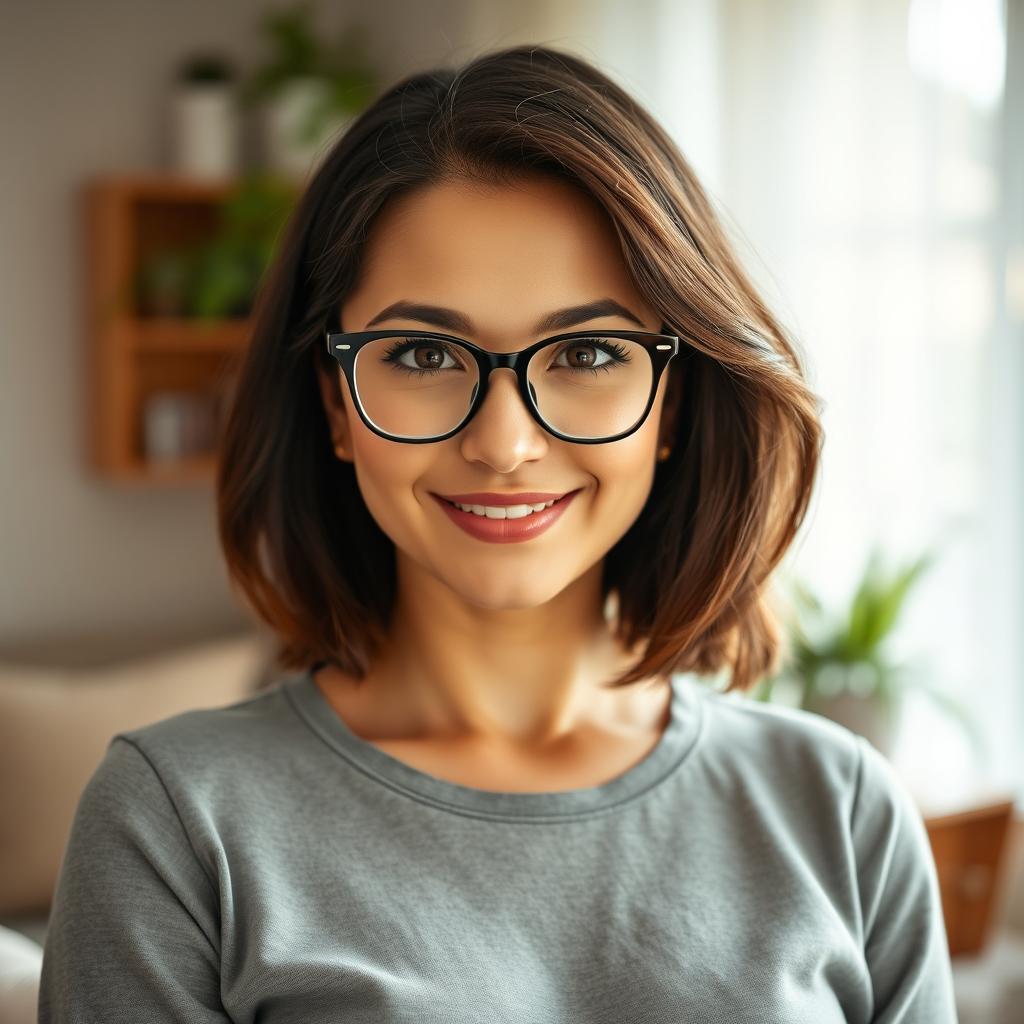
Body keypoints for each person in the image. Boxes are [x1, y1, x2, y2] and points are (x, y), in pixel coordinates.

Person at [38, 44, 958, 1023]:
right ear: (338, 404)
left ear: (673, 404)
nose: (504, 442)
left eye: (590, 352)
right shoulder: (177, 822)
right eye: (426, 352)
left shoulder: (841, 808)